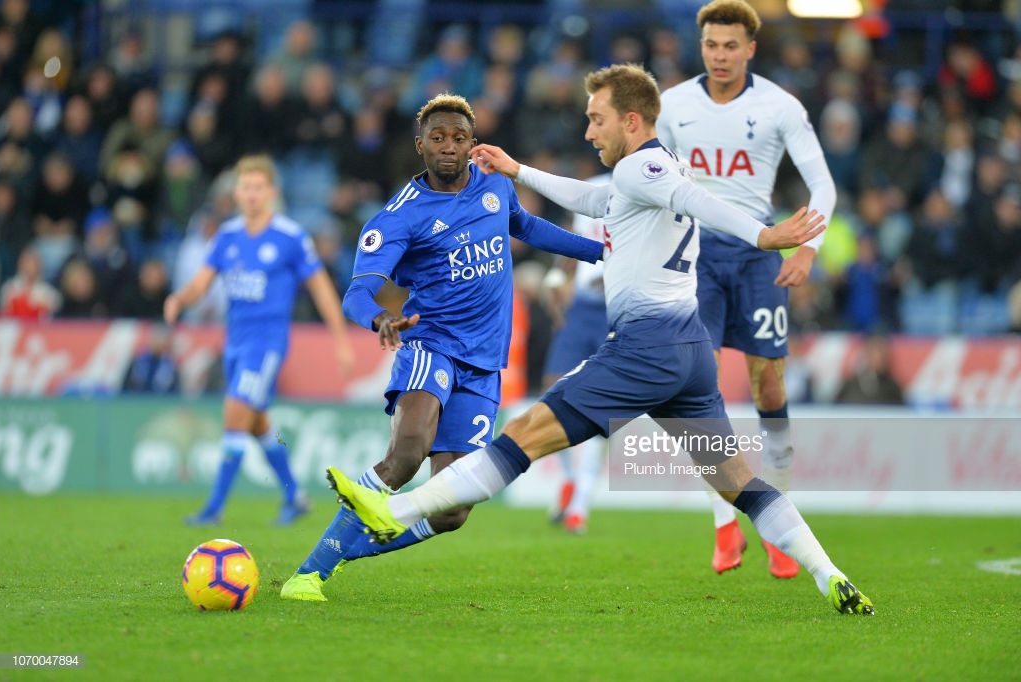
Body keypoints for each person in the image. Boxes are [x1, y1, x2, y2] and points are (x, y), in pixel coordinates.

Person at [325, 64, 873, 616]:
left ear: (630, 120)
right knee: (738, 482)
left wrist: (766, 234)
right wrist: (520, 171)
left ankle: (393, 512)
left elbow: (697, 202)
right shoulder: (647, 170)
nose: (589, 132)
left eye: (597, 119)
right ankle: (830, 575)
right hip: (690, 355)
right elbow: (596, 202)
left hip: (645, 348)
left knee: (522, 436)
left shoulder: (646, 167)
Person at [279, 93, 604, 602]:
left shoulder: (495, 184)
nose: (449, 147)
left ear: (472, 143)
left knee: (452, 511)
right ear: (420, 145)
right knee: (408, 451)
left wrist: (603, 253)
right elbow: (357, 292)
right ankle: (310, 573)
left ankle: (349, 548)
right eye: (437, 138)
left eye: (458, 138)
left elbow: (528, 227)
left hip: (484, 361)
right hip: (431, 342)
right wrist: (382, 317)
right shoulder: (398, 217)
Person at [656, 0, 837, 579]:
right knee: (698, 387)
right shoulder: (673, 105)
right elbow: (646, 177)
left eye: (732, 46)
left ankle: (779, 524)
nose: (721, 56)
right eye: (712, 45)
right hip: (694, 256)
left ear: (751, 48)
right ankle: (724, 522)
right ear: (701, 45)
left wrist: (808, 246)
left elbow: (822, 184)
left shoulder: (780, 106)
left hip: (759, 253)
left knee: (768, 384)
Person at [164, 154, 355, 526]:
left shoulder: (290, 237)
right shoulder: (227, 236)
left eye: (258, 188)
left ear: (271, 192)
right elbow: (200, 285)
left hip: (267, 344)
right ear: (236, 193)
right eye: (245, 187)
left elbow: (321, 289)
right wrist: (178, 299)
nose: (251, 194)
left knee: (235, 412)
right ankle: (295, 496)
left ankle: (213, 509)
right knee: (256, 423)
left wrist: (342, 341)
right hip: (234, 341)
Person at [543, 174, 611, 535]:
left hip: (620, 307)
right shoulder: (596, 183)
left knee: (601, 408)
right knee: (553, 391)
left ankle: (580, 505)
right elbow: (575, 236)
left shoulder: (653, 176)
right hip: (582, 306)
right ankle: (569, 480)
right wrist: (556, 278)